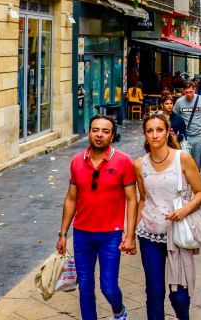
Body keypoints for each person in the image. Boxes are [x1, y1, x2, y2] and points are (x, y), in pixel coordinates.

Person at [57, 115, 137, 320]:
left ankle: (119, 310)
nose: (99, 135)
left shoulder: (123, 161)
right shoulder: (76, 161)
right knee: (85, 289)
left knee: (108, 287)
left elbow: (132, 199)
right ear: (89, 132)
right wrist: (63, 233)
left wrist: (129, 235)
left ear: (112, 135)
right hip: (82, 234)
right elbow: (71, 198)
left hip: (111, 235)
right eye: (95, 130)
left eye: (105, 131)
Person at [135, 113, 201, 320]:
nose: (155, 135)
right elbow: (142, 199)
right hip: (149, 236)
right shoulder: (139, 164)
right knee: (154, 294)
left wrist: (185, 209)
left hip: (179, 235)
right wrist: (130, 232)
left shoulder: (181, 158)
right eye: (150, 131)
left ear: (168, 132)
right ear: (145, 135)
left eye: (159, 130)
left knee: (180, 296)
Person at [172, 83, 201, 167]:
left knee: (196, 163)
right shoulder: (179, 102)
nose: (189, 94)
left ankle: (195, 178)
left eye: (191, 92)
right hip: (185, 137)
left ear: (194, 90)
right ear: (183, 91)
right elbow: (174, 117)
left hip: (198, 136)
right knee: (184, 163)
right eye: (186, 92)